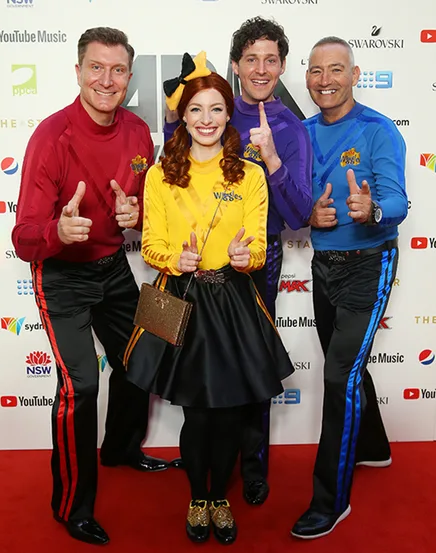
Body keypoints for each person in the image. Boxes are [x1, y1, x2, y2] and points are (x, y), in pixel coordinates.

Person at [125, 55, 294, 546]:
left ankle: (220, 495)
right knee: (197, 412)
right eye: (196, 109)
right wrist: (175, 260)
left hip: (233, 300)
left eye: (216, 109)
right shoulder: (160, 175)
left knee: (232, 412)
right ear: (184, 115)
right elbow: (151, 244)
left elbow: (259, 249)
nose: (205, 119)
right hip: (180, 299)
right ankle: (199, 497)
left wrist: (244, 257)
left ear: (227, 116)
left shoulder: (249, 174)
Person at [11, 27, 170, 546]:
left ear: (129, 76)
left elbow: (145, 211)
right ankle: (72, 505)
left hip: (112, 266)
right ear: (78, 71)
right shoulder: (50, 137)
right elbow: (22, 236)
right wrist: (56, 231)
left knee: (149, 349)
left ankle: (122, 447)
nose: (107, 80)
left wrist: (137, 215)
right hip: (61, 274)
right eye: (96, 68)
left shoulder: (139, 132)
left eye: (118, 70)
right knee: (80, 386)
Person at [163, 17, 313, 507]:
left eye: (271, 59)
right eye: (251, 58)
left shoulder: (290, 128)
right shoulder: (202, 110)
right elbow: (167, 192)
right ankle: (199, 478)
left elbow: (296, 215)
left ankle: (252, 469)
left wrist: (271, 159)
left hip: (253, 262)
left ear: (283, 66)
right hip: (184, 268)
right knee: (184, 368)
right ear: (235, 65)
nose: (261, 69)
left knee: (249, 365)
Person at [290, 36, 406, 540]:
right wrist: (305, 213)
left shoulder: (379, 131)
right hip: (324, 265)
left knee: (339, 375)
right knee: (348, 365)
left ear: (355, 75)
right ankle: (374, 447)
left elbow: (397, 200)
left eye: (336, 70)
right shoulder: (302, 132)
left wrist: (372, 209)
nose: (325, 80)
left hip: (369, 264)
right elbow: (292, 198)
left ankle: (329, 500)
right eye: (316, 71)